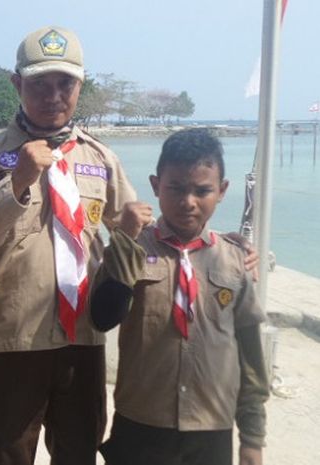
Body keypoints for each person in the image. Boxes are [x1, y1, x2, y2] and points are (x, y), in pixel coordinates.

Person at [0, 25, 136, 465]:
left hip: (84, 340)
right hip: (10, 344)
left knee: (79, 452)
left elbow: (136, 230)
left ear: (80, 85)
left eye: (65, 83)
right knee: (2, 454)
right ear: (17, 83)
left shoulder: (100, 158)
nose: (54, 95)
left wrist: (209, 244)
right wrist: (16, 182)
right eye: (40, 83)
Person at [90, 128, 269, 465]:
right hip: (141, 423)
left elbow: (251, 361)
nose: (188, 202)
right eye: (175, 188)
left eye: (203, 191)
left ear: (222, 191)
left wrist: (252, 439)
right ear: (156, 186)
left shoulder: (235, 261)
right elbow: (102, 316)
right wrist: (125, 242)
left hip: (211, 427)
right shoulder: (133, 249)